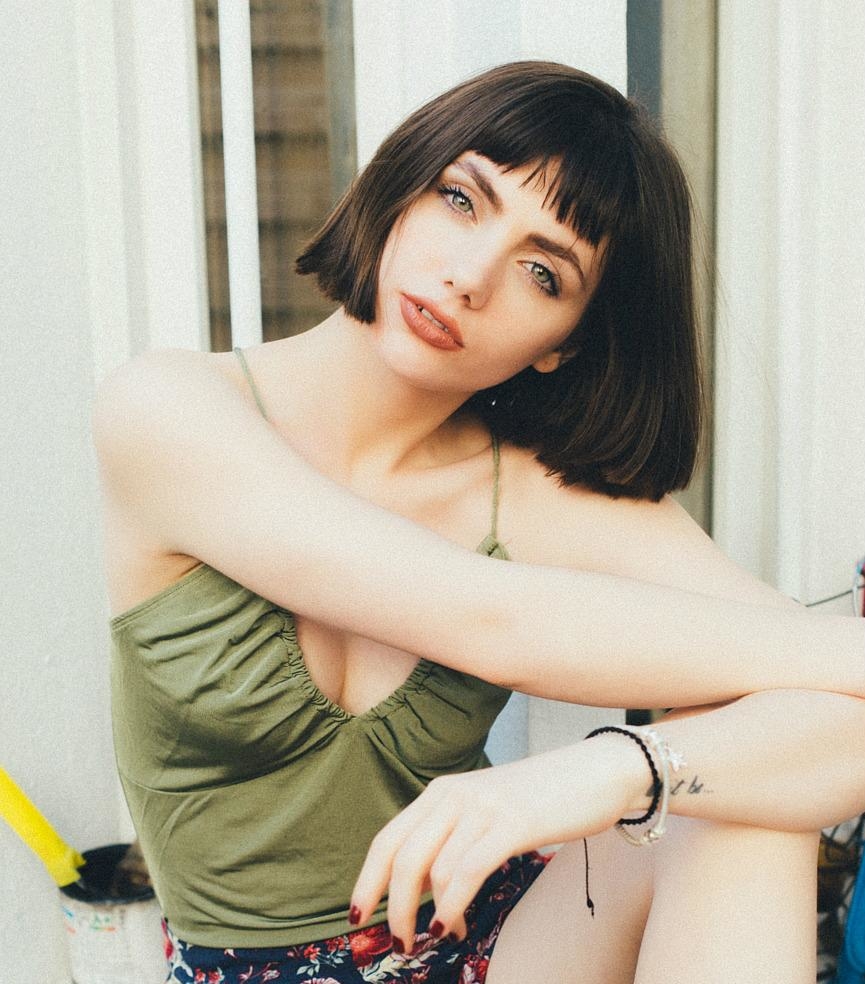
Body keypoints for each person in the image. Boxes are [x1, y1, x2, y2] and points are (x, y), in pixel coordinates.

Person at [94, 62, 865, 983]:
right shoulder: (166, 411)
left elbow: (835, 715)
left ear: (566, 342)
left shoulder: (529, 490)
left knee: (736, 796)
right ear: (399, 187)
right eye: (460, 199)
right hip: (251, 964)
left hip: (498, 941)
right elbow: (487, 618)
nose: (467, 277)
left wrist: (615, 769)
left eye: (542, 272)